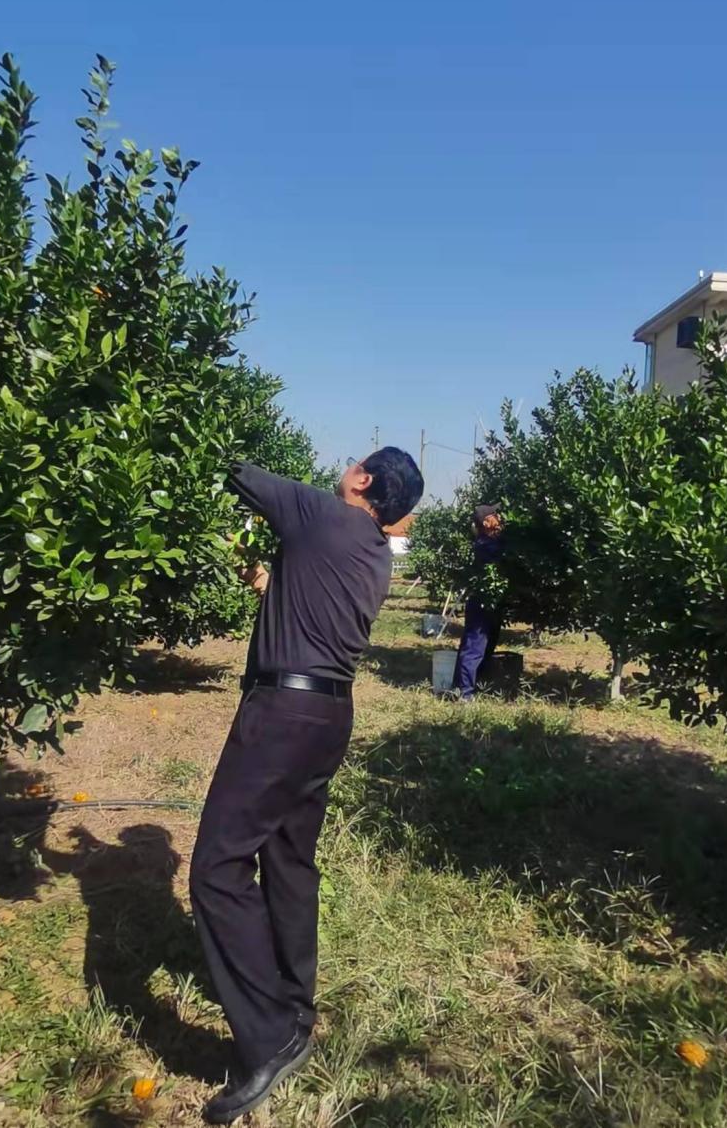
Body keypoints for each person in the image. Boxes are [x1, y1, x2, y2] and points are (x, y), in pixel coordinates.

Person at [190, 448, 424, 1125]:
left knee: (216, 867)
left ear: (363, 481)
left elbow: (236, 469)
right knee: (289, 859)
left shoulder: (318, 511)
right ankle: (295, 1001)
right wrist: (271, 583)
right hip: (329, 714)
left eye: (353, 461)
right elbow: (310, 605)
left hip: (281, 716)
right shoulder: (371, 552)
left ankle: (270, 1035)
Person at [452, 505, 505, 700]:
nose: (500, 518)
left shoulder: (491, 541)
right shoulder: (484, 544)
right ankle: (465, 693)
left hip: (492, 603)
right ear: (486, 522)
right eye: (495, 515)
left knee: (486, 645)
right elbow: (501, 555)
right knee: (474, 647)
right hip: (481, 604)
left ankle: (469, 684)